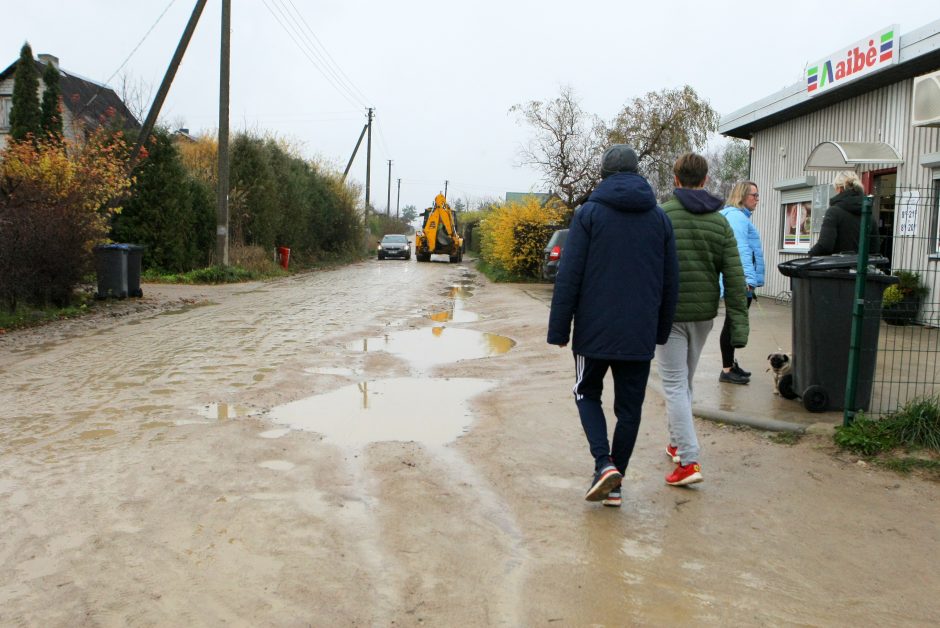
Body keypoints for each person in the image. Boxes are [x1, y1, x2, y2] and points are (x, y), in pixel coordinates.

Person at [548, 144, 679, 507]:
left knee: (585, 392)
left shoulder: (589, 214)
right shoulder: (659, 219)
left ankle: (604, 465)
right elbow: (670, 282)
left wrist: (560, 329)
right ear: (638, 173)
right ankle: (615, 483)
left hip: (593, 331)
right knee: (629, 410)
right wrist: (660, 331)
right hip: (639, 332)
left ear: (603, 175)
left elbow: (569, 275)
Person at [657, 153, 748, 486]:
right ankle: (676, 443)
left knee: (675, 385)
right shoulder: (720, 221)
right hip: (704, 315)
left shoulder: (662, 216)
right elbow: (735, 275)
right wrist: (739, 322)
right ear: (705, 180)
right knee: (685, 381)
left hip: (668, 315)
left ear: (676, 179)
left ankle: (690, 461)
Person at [718, 181, 765, 384]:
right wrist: (746, 279)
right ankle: (727, 370)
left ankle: (730, 364)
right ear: (742, 196)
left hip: (739, 280)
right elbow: (740, 251)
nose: (757, 199)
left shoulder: (737, 217)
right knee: (732, 324)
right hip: (740, 282)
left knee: (734, 323)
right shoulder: (737, 218)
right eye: (754, 195)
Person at [808, 170, 877, 256]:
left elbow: (825, 246)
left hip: (836, 267)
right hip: (861, 267)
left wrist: (810, 255)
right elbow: (874, 249)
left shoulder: (834, 212)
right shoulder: (869, 215)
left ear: (839, 188)